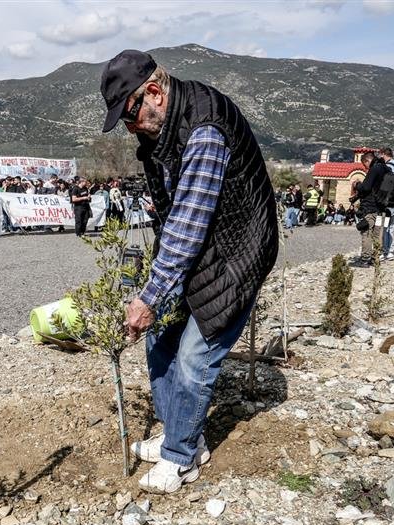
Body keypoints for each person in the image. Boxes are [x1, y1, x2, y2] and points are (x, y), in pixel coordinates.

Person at [100, 49, 278, 494]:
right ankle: (178, 433)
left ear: (155, 93)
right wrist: (151, 289)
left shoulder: (205, 129)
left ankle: (184, 458)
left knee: (197, 354)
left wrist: (150, 294)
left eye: (129, 116)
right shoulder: (159, 133)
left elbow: (187, 224)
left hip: (239, 251)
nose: (129, 128)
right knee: (160, 336)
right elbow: (170, 215)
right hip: (204, 247)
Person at [348, 151, 388, 266]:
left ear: (367, 161)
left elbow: (365, 188)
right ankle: (376, 258)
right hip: (383, 208)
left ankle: (365, 259)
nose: (365, 168)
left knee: (366, 232)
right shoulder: (386, 169)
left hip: (371, 208)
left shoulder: (374, 169)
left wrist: (357, 185)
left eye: (364, 165)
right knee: (378, 234)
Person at [378, 147, 394, 261]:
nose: (379, 157)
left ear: (384, 154)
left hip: (389, 203)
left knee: (384, 226)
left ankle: (386, 251)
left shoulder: (389, 167)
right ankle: (390, 250)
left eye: (380, 155)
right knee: (391, 226)